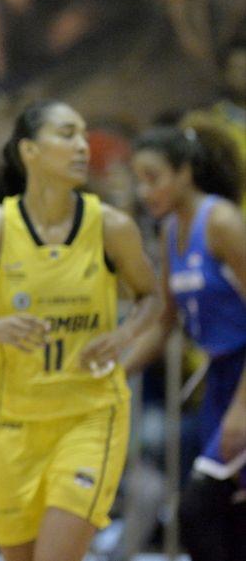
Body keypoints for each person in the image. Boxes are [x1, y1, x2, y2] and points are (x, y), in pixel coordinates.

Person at [0, 100, 160, 561]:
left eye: (83, 135)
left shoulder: (111, 226)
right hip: (13, 426)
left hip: (88, 417)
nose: (82, 146)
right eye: (67, 134)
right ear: (30, 151)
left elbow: (151, 298)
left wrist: (123, 335)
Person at [125, 122, 246, 561]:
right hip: (219, 382)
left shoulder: (223, 222)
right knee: (230, 520)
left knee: (197, 512)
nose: (144, 191)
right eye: (138, 180)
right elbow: (164, 323)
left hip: (242, 378)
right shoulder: (171, 231)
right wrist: (113, 371)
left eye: (153, 178)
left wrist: (242, 408)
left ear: (184, 173)